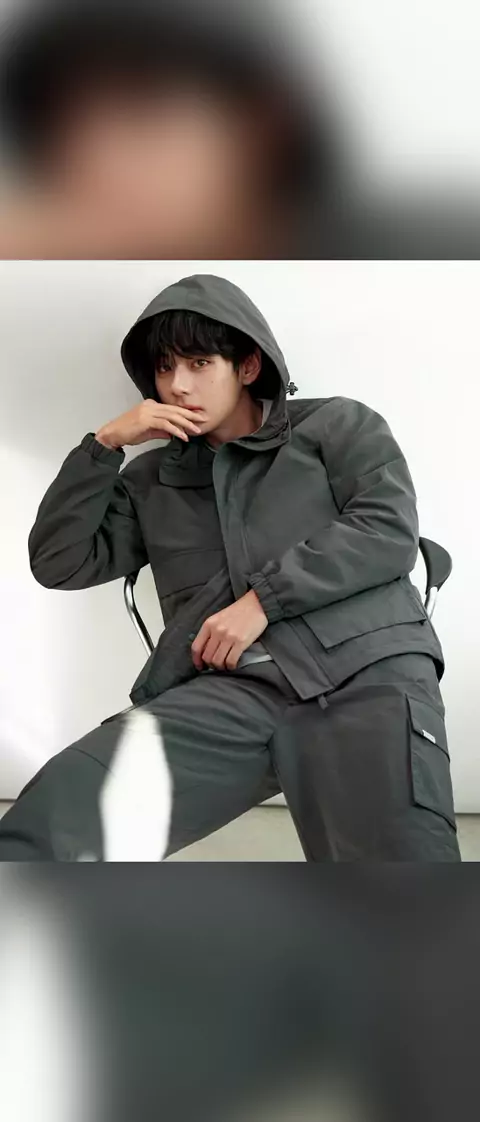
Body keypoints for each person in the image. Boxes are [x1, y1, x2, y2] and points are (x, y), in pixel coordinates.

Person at [0, 273, 460, 861]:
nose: (177, 385)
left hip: (363, 671)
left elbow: (386, 528)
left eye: (198, 363)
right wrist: (104, 445)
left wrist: (262, 602)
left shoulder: (336, 426)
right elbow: (58, 562)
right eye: (165, 368)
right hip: (226, 694)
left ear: (247, 365)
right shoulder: (151, 480)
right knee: (48, 824)